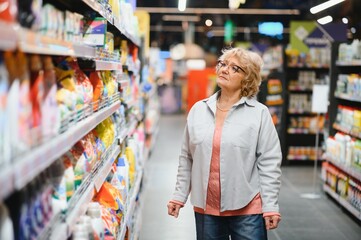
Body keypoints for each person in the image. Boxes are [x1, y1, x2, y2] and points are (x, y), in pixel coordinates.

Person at [167, 47, 282, 240]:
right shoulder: (198, 110)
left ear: (247, 78)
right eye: (223, 64)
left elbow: (269, 163)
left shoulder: (259, 114)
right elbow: (187, 158)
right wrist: (179, 195)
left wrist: (270, 206)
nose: (225, 69)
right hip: (207, 207)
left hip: (247, 207)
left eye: (235, 68)